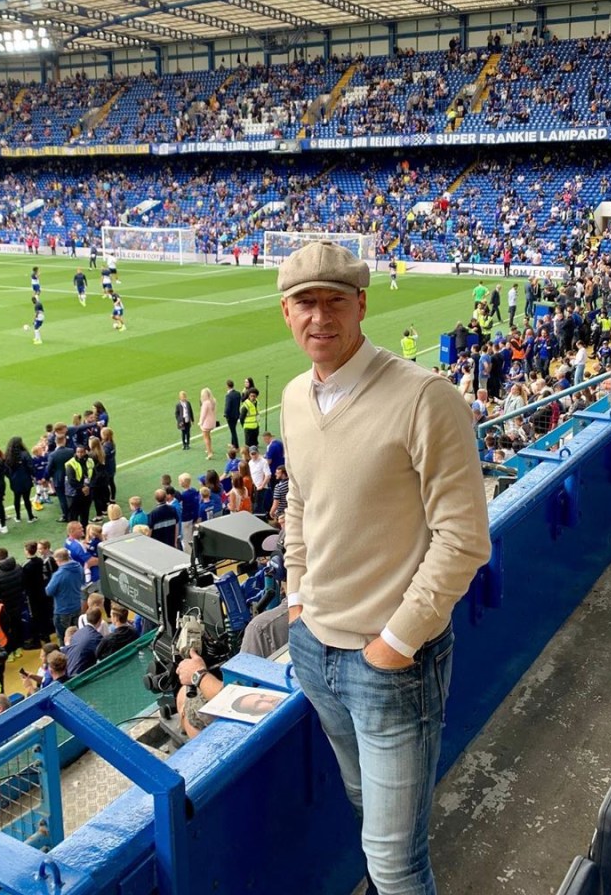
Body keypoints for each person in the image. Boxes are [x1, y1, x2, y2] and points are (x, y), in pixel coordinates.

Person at [277, 240, 490, 895]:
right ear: (286, 313)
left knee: (396, 863)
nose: (319, 317)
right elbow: (300, 504)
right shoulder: (292, 397)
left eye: (334, 301)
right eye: (304, 303)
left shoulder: (426, 398)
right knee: (368, 809)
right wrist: (295, 602)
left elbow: (465, 537)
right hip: (317, 648)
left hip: (390, 666)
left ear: (361, 304)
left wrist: (396, 643)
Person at [45, 547, 83, 642]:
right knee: (77, 634)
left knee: (63, 638)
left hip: (63, 611)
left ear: (58, 560)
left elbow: (48, 591)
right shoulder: (78, 567)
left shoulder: (59, 575)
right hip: (77, 606)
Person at [64, 606, 103, 676]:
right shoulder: (97, 637)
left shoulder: (77, 633)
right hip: (81, 676)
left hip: (69, 673)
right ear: (100, 620)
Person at [64, 444, 93, 527]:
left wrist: (88, 487)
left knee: (85, 513)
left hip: (86, 491)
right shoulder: (71, 464)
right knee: (73, 516)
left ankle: (84, 532)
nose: (80, 454)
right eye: (78, 452)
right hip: (74, 493)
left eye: (82, 452)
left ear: (85, 452)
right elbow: (71, 480)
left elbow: (93, 474)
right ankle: (73, 534)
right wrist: (83, 487)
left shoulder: (90, 461)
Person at [199, 387, 217, 460]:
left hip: (206, 422)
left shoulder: (205, 403)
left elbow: (203, 414)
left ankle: (209, 452)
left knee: (205, 437)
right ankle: (210, 449)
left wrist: (200, 422)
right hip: (212, 421)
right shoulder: (213, 401)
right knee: (208, 436)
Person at [223, 379, 242, 448]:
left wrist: (225, 414)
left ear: (227, 386)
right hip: (236, 414)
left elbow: (227, 406)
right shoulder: (237, 393)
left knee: (233, 431)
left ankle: (236, 445)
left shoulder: (228, 395)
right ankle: (233, 444)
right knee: (233, 429)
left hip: (230, 416)